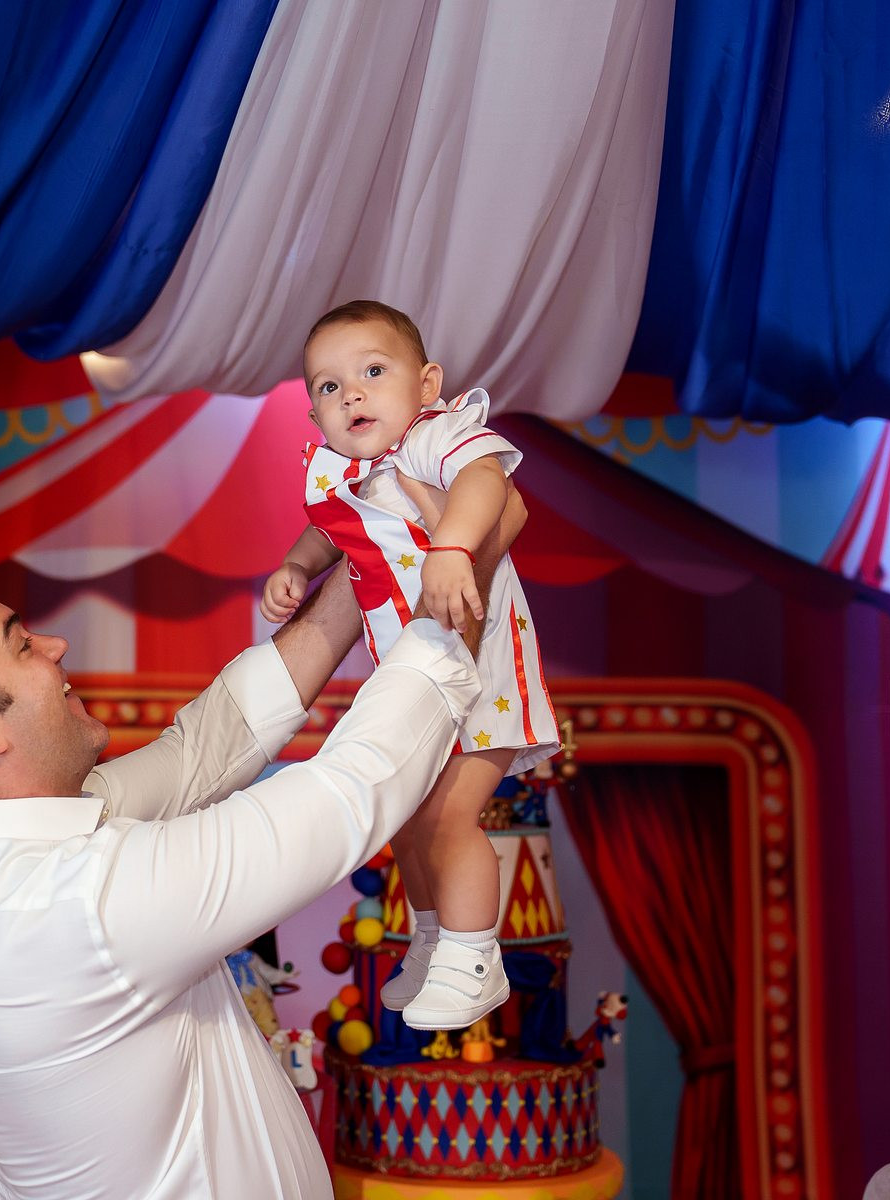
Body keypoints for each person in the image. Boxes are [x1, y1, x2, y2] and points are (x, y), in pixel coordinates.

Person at [0, 494, 523, 1199]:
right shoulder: (77, 907)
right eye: (22, 645)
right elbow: (352, 790)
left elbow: (205, 749)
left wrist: (375, 551)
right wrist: (464, 568)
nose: (55, 647)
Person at [261, 299, 562, 1030]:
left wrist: (452, 545)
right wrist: (296, 566)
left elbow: (487, 483)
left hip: (481, 669)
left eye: (373, 371)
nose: (352, 395)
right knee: (406, 817)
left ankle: (473, 955)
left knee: (452, 814)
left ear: (426, 385)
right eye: (329, 386)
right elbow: (328, 532)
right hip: (415, 675)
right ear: (314, 413)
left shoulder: (430, 438)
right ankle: (431, 936)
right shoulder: (342, 472)